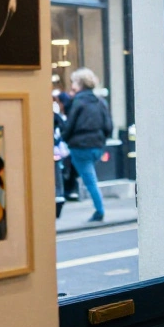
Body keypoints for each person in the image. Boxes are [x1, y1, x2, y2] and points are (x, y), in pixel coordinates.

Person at [60, 67, 113, 223]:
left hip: (80, 147)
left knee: (90, 180)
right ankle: (71, 192)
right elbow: (108, 126)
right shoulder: (101, 101)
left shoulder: (78, 102)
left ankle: (99, 211)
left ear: (80, 84)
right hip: (97, 147)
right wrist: (101, 141)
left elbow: (69, 126)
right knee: (85, 175)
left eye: (74, 82)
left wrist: (65, 138)